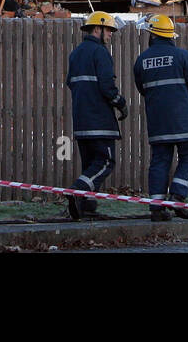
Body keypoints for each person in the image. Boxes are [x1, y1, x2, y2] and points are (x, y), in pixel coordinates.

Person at [132, 14, 188, 222]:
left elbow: (142, 89)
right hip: (181, 118)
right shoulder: (182, 56)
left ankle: (156, 207)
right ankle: (178, 195)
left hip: (156, 120)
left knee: (160, 159)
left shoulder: (141, 60)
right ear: (171, 36)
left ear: (152, 36)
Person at [65, 11, 127, 220]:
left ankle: (87, 204)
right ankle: (77, 191)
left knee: (89, 163)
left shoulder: (76, 53)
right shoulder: (100, 53)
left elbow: (70, 83)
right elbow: (107, 87)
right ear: (97, 29)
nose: (110, 35)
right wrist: (121, 103)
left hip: (81, 119)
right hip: (100, 120)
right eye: (108, 30)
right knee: (105, 161)